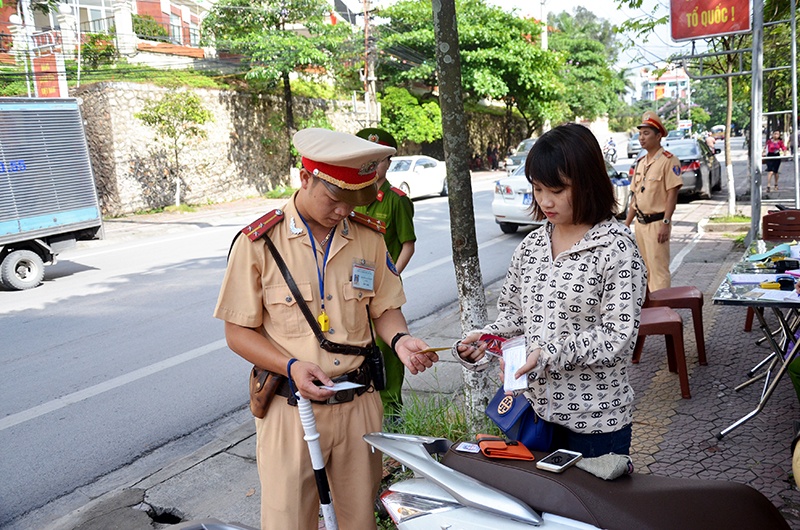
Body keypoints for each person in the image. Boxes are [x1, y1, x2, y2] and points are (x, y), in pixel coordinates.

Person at [213, 128, 439, 530]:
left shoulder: (367, 237)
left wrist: (401, 341)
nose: (342, 212)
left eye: (352, 203)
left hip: (358, 405)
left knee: (358, 521)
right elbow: (238, 333)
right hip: (290, 407)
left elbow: (385, 307)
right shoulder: (259, 244)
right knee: (288, 521)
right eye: (334, 199)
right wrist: (292, 366)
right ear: (305, 178)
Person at [455, 123, 646, 457]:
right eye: (538, 188)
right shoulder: (531, 246)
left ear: (588, 183)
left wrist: (546, 354)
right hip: (535, 415)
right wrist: (485, 341)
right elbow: (515, 315)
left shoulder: (616, 248)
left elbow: (618, 336)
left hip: (595, 423)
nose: (545, 201)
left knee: (591, 510)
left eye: (557, 190)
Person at [354, 127, 416, 423]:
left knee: (387, 348)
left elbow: (407, 245)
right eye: (366, 158)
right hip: (351, 289)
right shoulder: (350, 196)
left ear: (388, 162)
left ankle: (391, 411)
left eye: (377, 159)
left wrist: (390, 277)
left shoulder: (395, 200)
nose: (371, 165)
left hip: (382, 290)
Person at [624, 111, 683, 291]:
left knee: (658, 270)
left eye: (647, 133)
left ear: (658, 136)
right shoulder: (641, 162)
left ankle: (664, 312)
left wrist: (666, 222)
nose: (642, 138)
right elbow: (635, 197)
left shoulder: (669, 161)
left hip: (657, 223)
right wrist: (626, 224)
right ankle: (651, 312)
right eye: (640, 133)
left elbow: (672, 195)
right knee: (644, 270)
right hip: (640, 224)